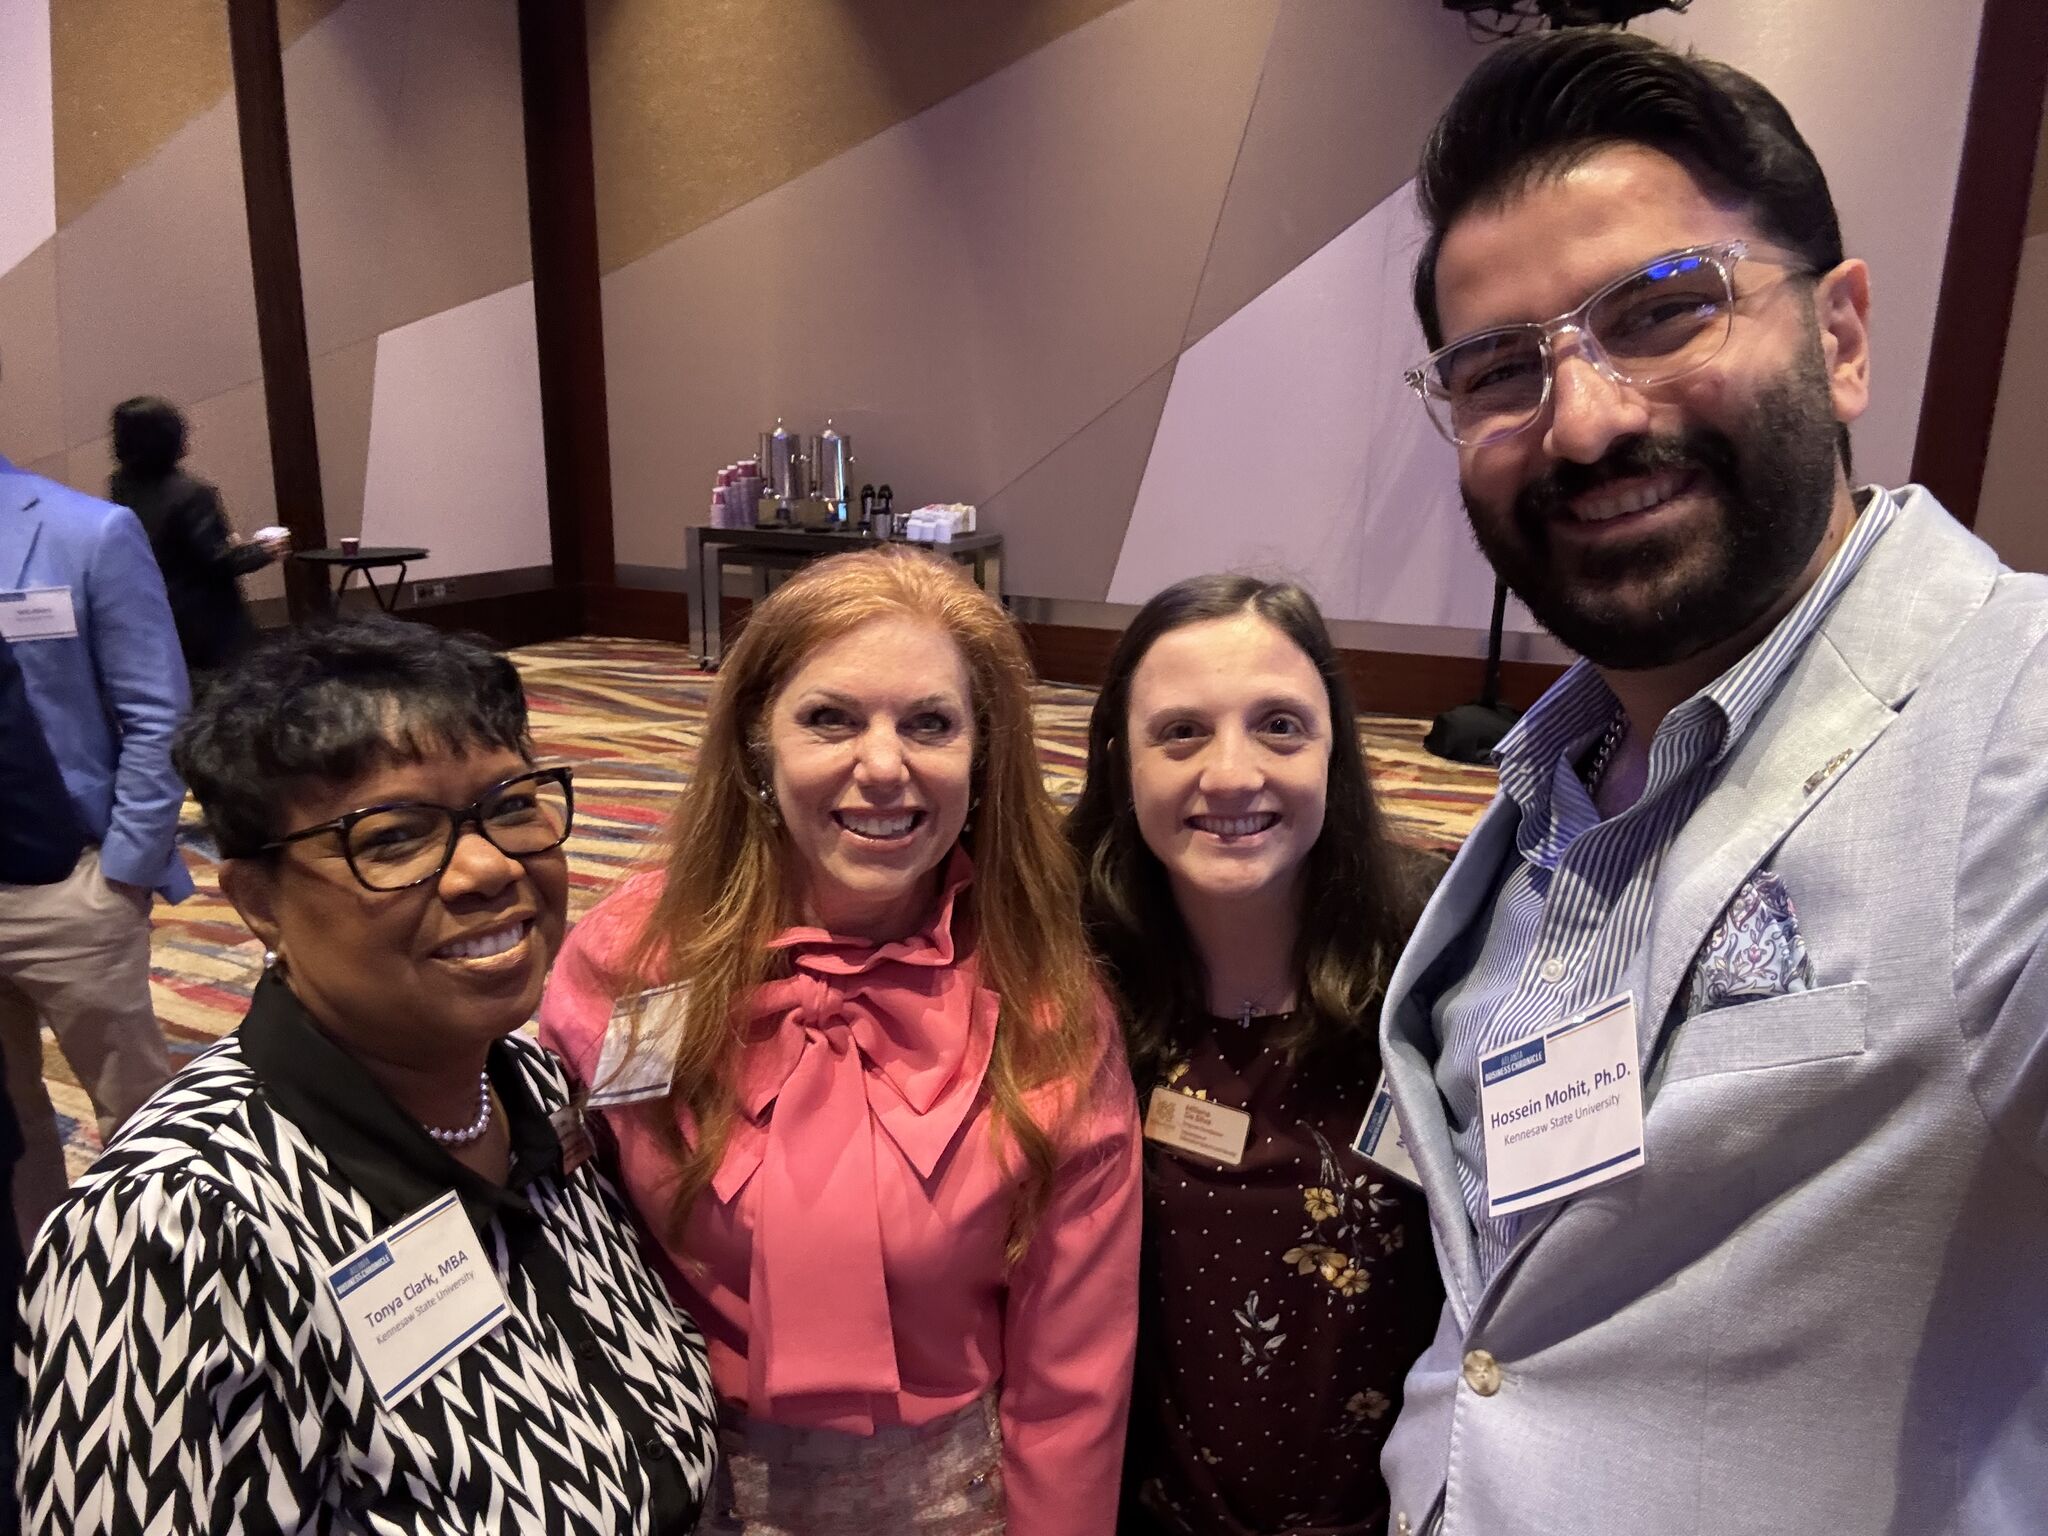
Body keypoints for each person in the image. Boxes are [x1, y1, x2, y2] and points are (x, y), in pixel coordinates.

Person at [1378, 28, 2048, 1536]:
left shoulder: (2009, 721)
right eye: (1500, 371)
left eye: (1663, 309)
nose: (1586, 420)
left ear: (1842, 338)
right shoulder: (1548, 779)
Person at [17, 616, 719, 1534]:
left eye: (512, 805)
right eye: (392, 839)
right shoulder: (174, 1230)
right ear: (260, 904)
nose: (486, 868)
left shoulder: (535, 1088)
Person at [539, 547, 1142, 1536]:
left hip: (947, 1505)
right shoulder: (632, 960)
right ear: (756, 744)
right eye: (830, 718)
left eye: (930, 724)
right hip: (672, 1480)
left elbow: (1073, 1371)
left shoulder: (1047, 1008)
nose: (883, 765)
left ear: (982, 757)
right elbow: (564, 1233)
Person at [1066, 576, 1442, 1536]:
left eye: (1279, 727)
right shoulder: (1064, 972)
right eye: (1181, 732)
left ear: (1334, 751)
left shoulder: (1440, 965)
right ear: (1119, 762)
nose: (1232, 775)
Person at [0, 452, 184, 1245]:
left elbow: (158, 711)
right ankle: (41, 1285)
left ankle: (163, 1279)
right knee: (9, 1127)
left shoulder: (87, 531)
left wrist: (124, 871)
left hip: (71, 889)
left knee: (140, 1117)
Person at [108, 395, 288, 675]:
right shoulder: (192, 493)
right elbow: (218, 562)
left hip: (154, 616)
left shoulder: (120, 487)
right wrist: (265, 549)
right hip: (208, 625)